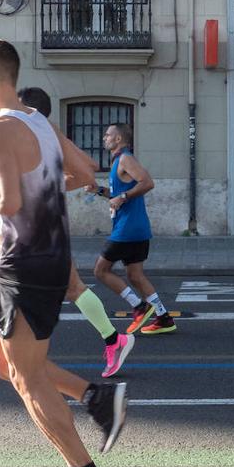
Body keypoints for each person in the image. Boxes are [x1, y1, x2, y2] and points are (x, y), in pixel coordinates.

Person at [0, 39, 127, 467]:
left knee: (26, 377)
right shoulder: (38, 121)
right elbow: (84, 171)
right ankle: (95, 396)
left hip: (23, 265)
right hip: (54, 261)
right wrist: (37, 184)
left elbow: (8, 203)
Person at [17, 86, 136, 378]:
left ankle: (22, 356)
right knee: (66, 287)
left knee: (47, 288)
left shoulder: (45, 133)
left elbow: (86, 170)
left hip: (42, 224)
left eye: (17, 107)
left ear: (30, 111)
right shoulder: (22, 134)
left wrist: (46, 185)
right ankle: (113, 340)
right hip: (31, 224)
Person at [90, 123, 176, 336]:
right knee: (135, 276)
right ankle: (164, 318)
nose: (104, 138)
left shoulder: (126, 158)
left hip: (128, 228)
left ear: (118, 139)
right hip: (135, 228)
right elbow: (118, 193)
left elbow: (147, 182)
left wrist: (124, 197)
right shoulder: (118, 161)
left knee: (100, 270)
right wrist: (99, 190)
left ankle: (139, 307)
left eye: (108, 134)